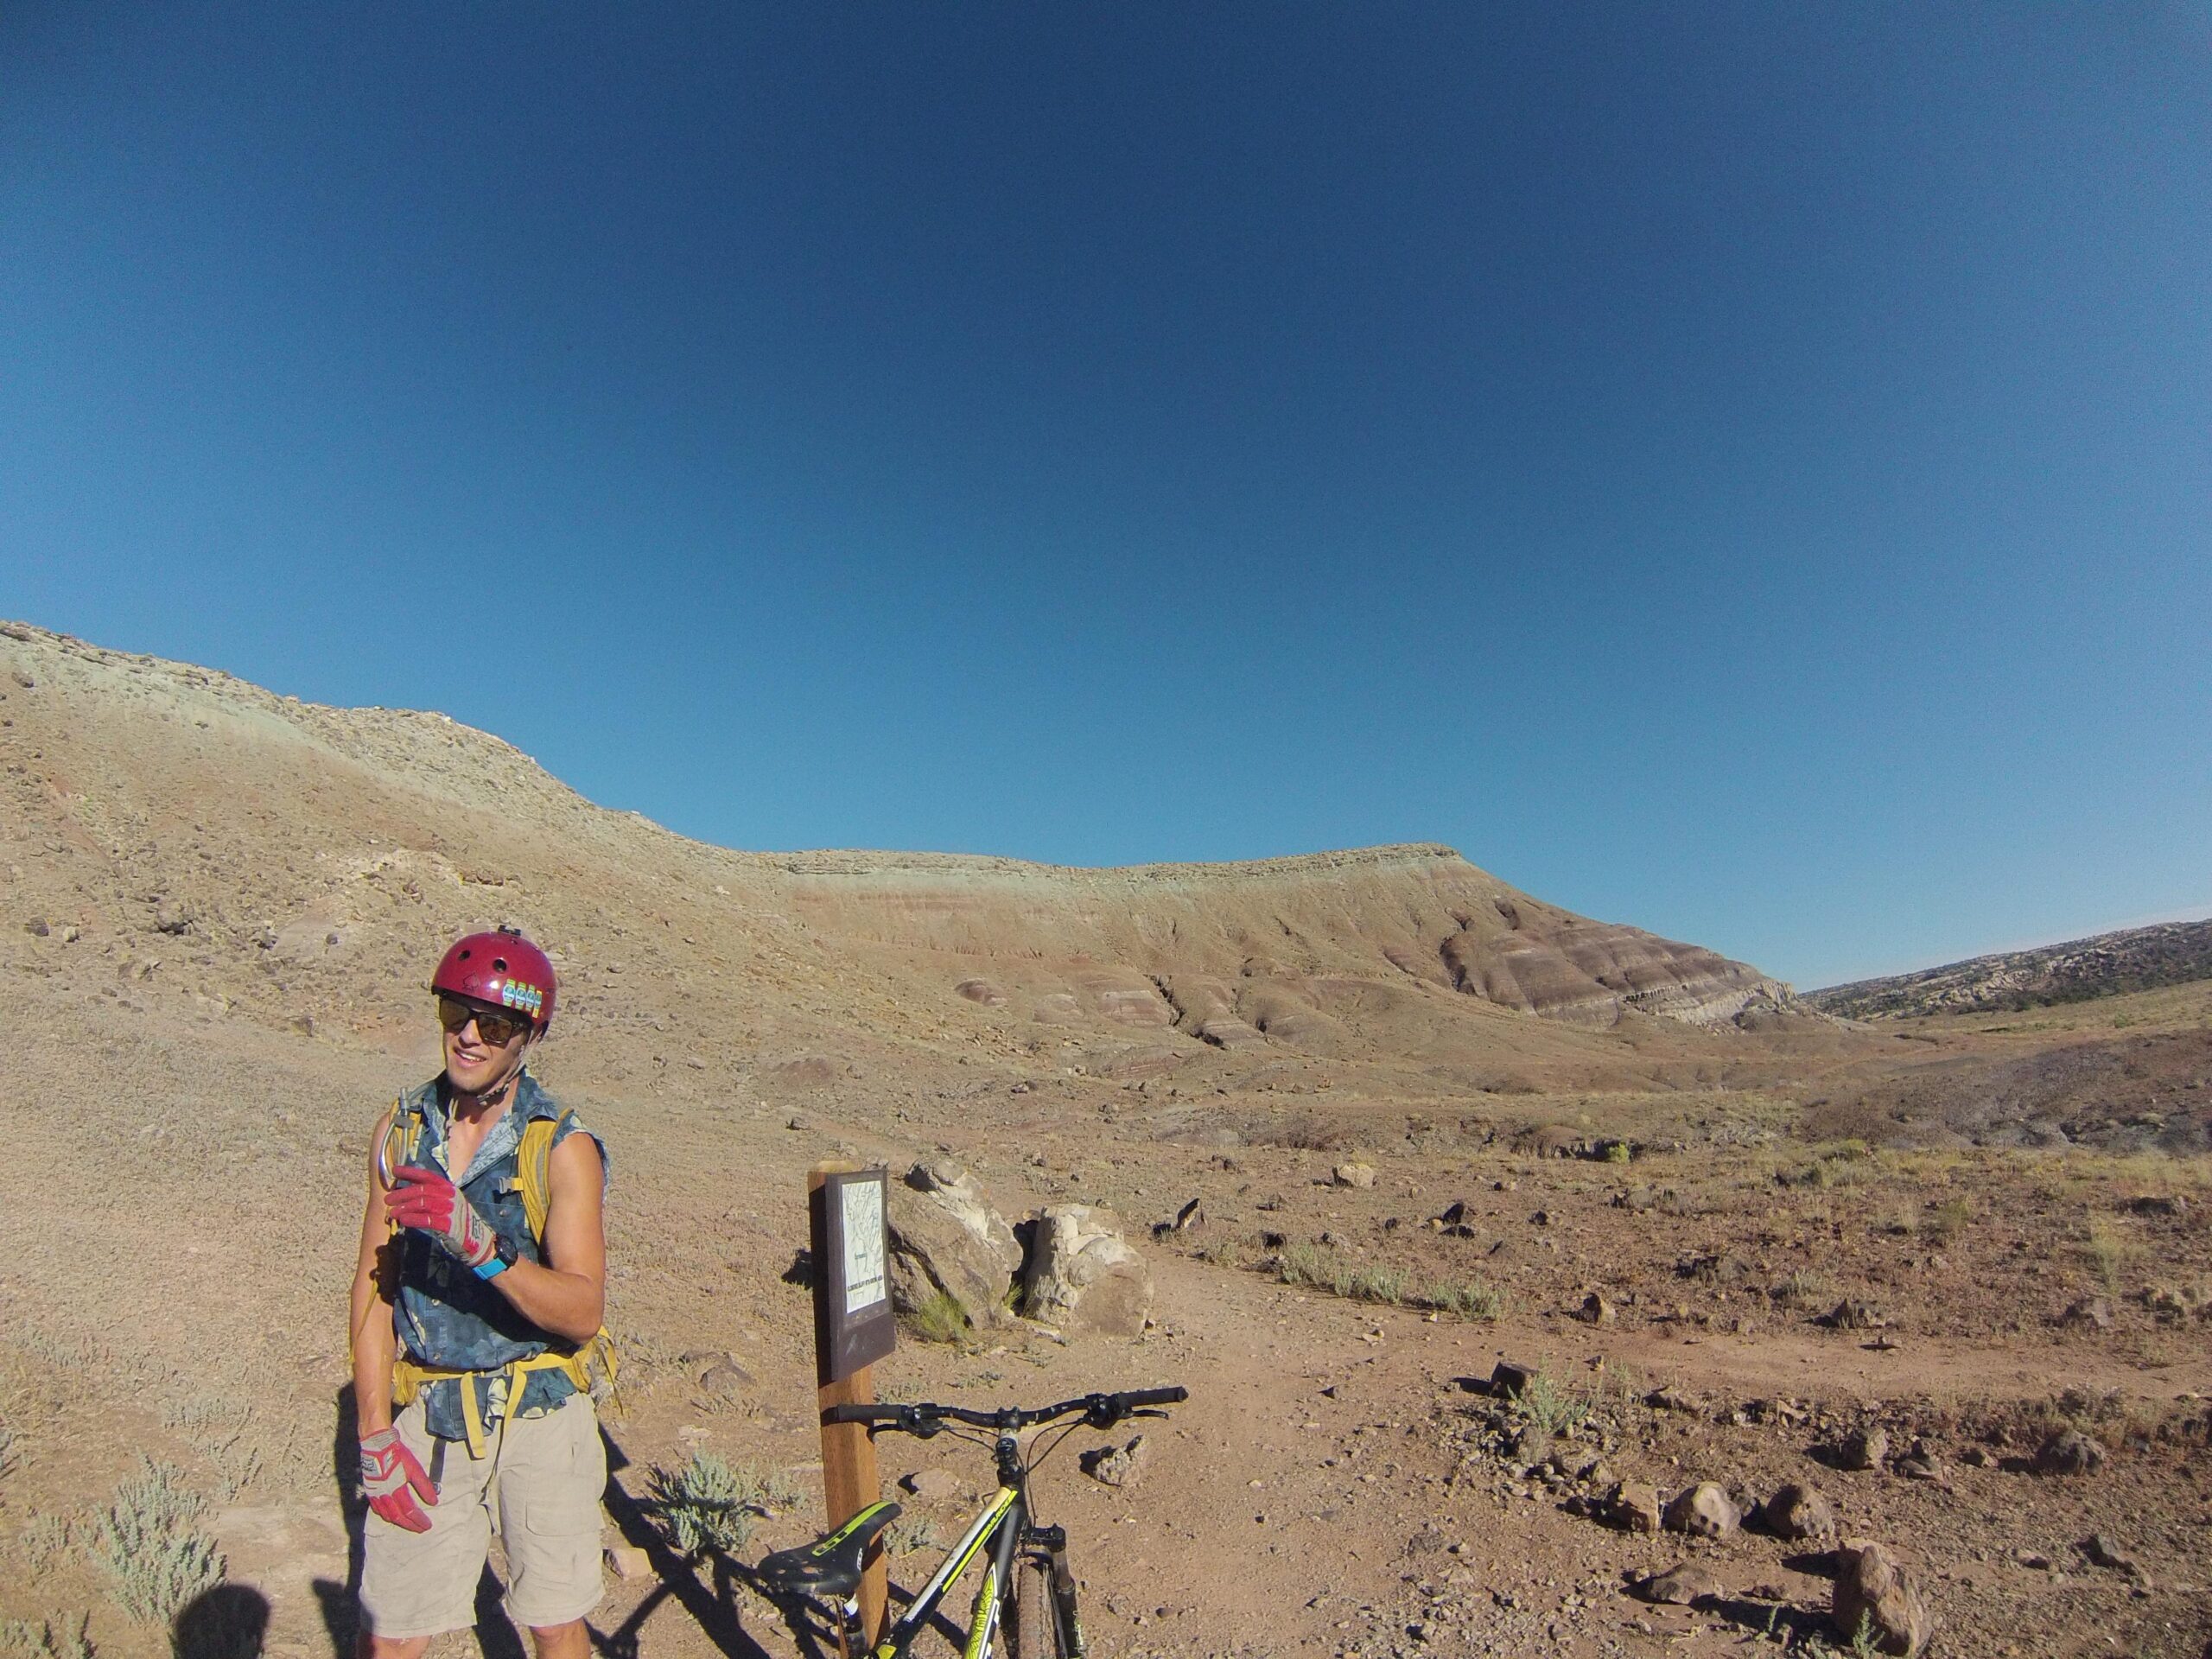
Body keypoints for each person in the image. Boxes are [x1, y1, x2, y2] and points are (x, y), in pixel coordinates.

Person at [348, 927, 610, 1658]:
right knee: (395, 1632)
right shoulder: (401, 1131)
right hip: (431, 1411)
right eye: (453, 1015)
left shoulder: (560, 1146)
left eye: (492, 1024)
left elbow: (584, 1312)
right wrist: (373, 1434)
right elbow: (373, 1290)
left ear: (528, 1035)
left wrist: (484, 1250)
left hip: (540, 1412)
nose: (468, 1037)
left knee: (555, 1622)